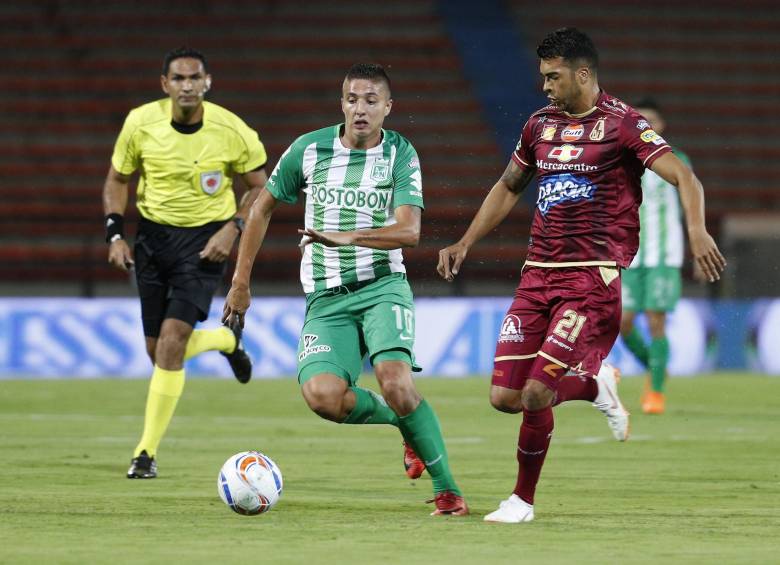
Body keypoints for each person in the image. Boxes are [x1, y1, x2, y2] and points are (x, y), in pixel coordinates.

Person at [437, 28, 725, 523]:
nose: (545, 86)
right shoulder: (539, 124)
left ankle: (521, 501)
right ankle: (596, 387)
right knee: (504, 397)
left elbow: (684, 175)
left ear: (583, 74)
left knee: (535, 393)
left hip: (590, 281)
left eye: (553, 77)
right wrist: (466, 240)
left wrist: (696, 231)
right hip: (536, 277)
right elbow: (508, 186)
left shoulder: (622, 124)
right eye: (542, 76)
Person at [222, 63, 468, 516]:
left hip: (381, 288)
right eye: (353, 99)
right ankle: (406, 425)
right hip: (327, 299)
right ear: (342, 104)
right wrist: (240, 283)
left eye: (371, 100)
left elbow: (410, 231)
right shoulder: (308, 150)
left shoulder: (400, 154)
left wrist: (350, 235)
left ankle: (448, 491)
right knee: (322, 397)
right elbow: (260, 209)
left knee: (395, 382)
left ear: (388, 108)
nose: (361, 109)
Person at [103, 46, 269, 479]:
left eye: (195, 78)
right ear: (165, 85)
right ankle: (225, 341)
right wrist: (116, 234)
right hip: (153, 240)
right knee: (157, 350)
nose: (187, 85)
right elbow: (118, 180)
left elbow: (260, 187)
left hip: (205, 242)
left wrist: (231, 228)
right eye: (178, 78)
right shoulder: (141, 123)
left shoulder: (231, 129)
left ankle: (145, 453)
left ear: (207, 82)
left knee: (173, 345)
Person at [620, 98, 690, 415]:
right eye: (640, 120)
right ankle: (656, 366)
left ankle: (656, 393)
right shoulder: (621, 161)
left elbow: (691, 201)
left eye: (651, 120)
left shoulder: (676, 160)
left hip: (663, 255)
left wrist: (699, 241)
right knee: (621, 324)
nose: (646, 125)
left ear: (660, 126)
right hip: (631, 256)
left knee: (655, 320)